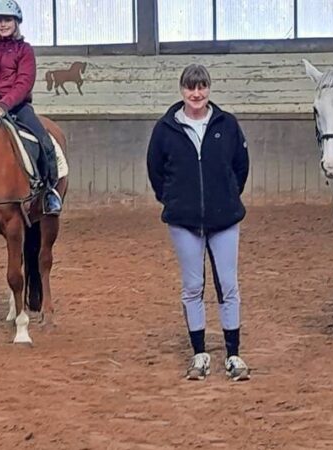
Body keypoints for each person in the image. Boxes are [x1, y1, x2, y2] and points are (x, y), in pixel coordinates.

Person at [147, 64, 251, 381]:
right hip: (184, 221)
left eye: (202, 87)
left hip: (224, 220)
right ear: (182, 91)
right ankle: (200, 354)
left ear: (209, 89)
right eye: (191, 88)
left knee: (228, 286)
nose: (196, 94)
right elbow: (156, 172)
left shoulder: (227, 125)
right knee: (193, 287)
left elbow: (241, 167)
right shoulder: (165, 129)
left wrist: (227, 196)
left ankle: (233, 355)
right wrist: (175, 201)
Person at [0, 0, 62, 214]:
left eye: (7, 20)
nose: (3, 24)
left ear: (16, 22)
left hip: (17, 107)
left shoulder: (25, 50)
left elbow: (24, 82)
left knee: (44, 141)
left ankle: (48, 192)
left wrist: (4, 104)